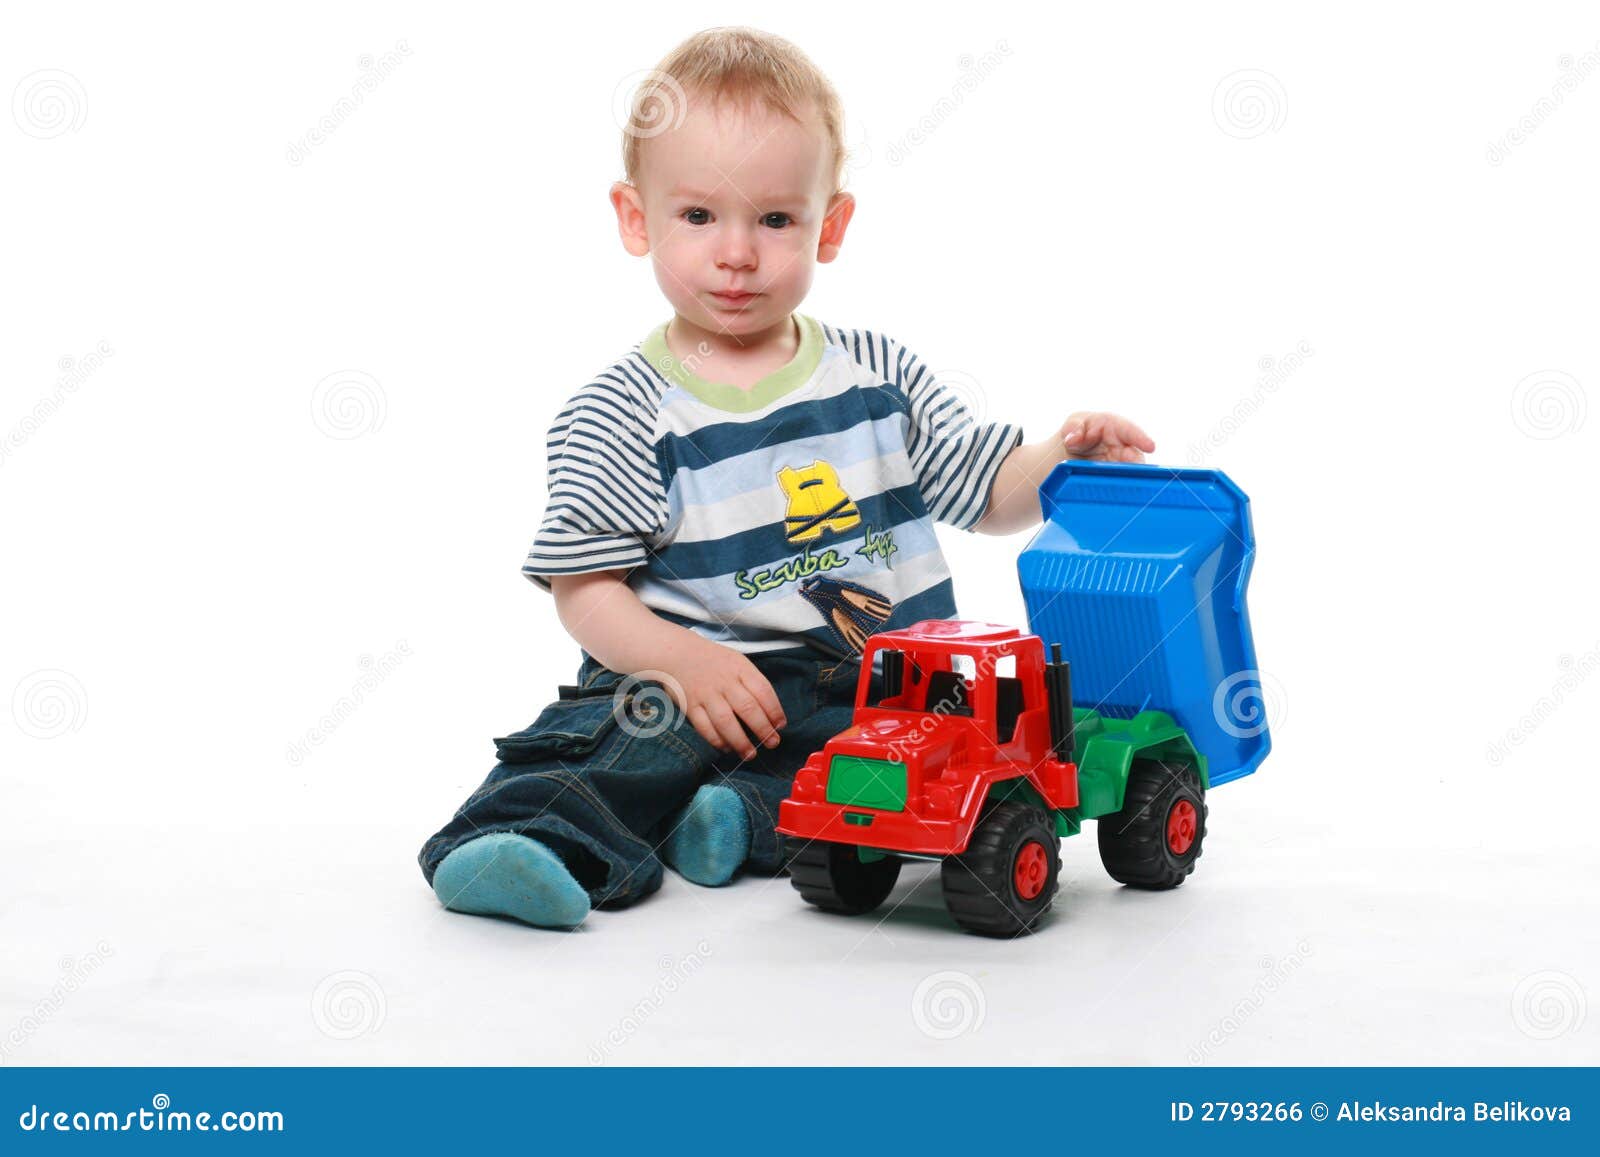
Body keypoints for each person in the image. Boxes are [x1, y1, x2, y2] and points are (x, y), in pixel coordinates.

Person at [417, 26, 1154, 929]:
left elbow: (988, 492)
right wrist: (684, 660)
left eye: (775, 220)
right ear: (635, 217)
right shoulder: (625, 410)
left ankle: (728, 823)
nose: (737, 252)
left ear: (828, 226)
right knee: (633, 736)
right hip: (688, 674)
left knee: (883, 772)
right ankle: (528, 837)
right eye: (698, 216)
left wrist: (1058, 459)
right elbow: (586, 590)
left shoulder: (878, 379)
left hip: (874, 691)